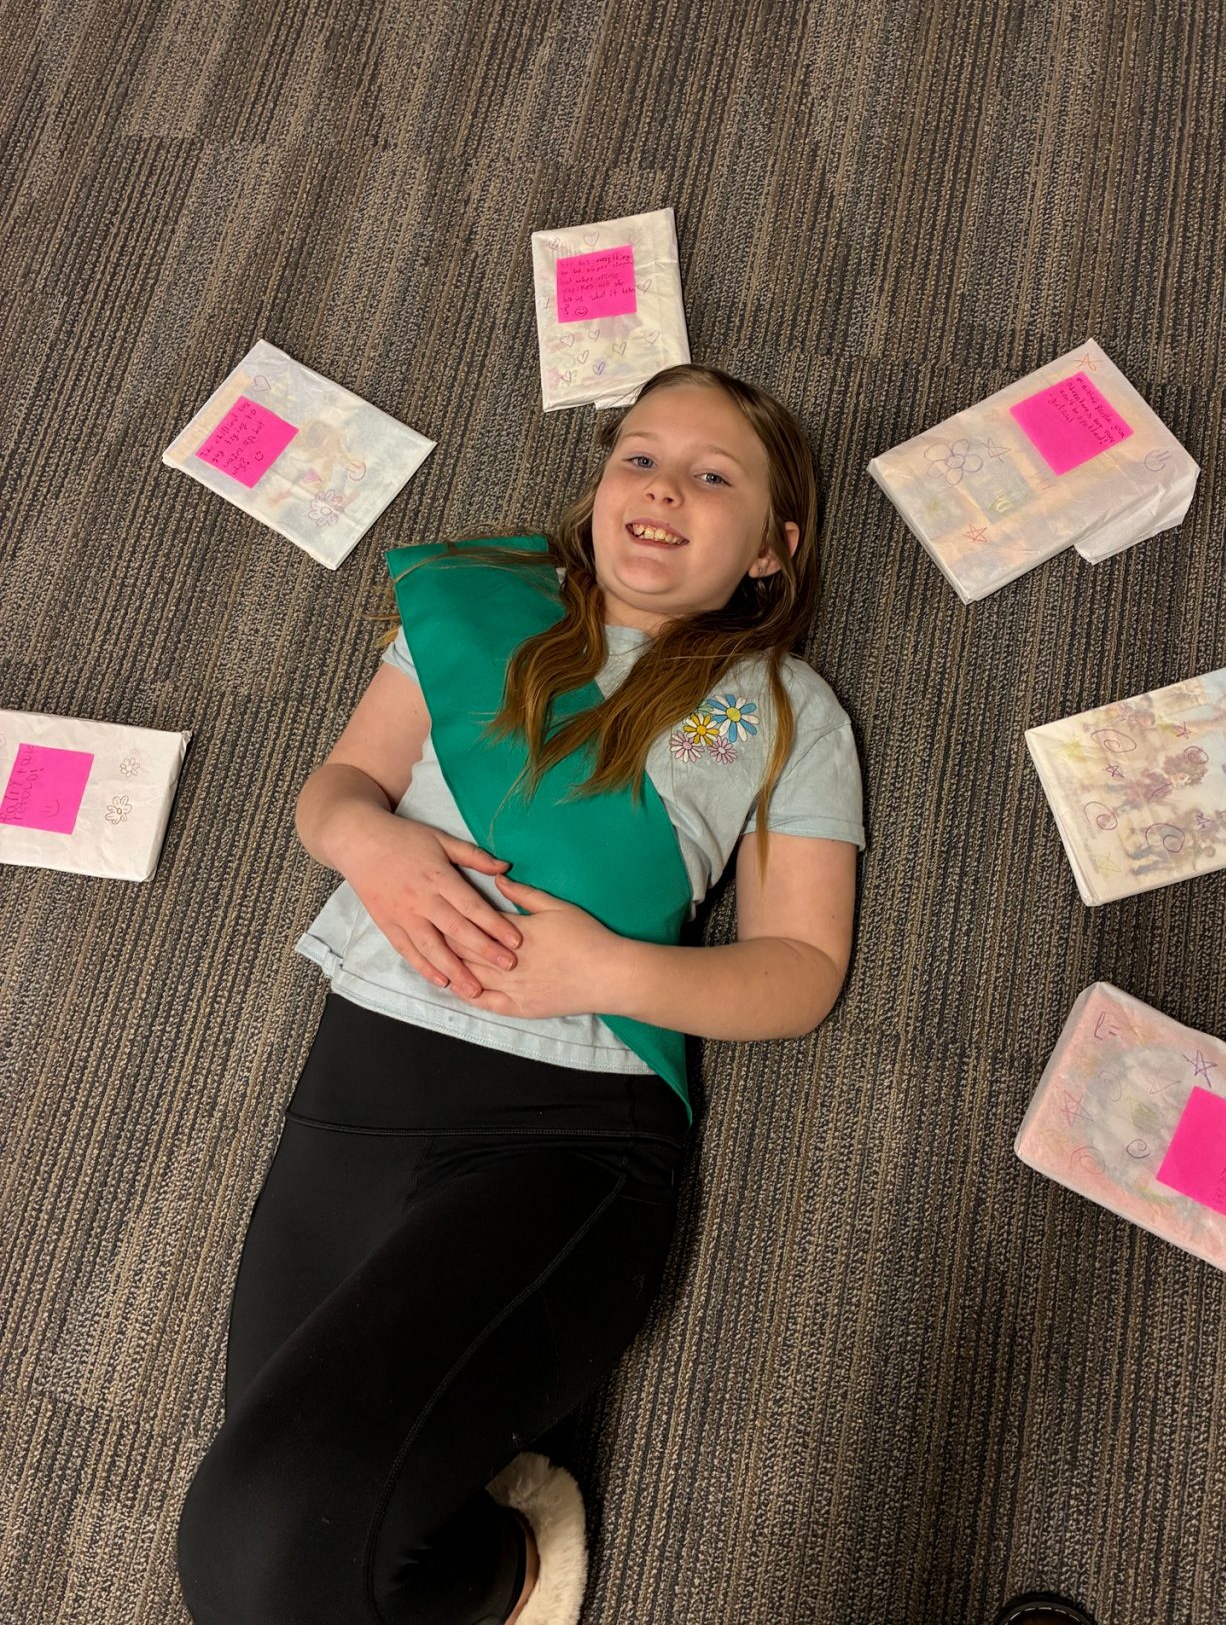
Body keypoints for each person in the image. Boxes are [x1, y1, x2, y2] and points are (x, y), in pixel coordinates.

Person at [176, 364, 865, 1625]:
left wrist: (601, 967)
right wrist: (367, 845)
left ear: (773, 550)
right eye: (638, 457)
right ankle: (499, 1565)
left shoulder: (785, 709)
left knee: (254, 1552)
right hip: (352, 1096)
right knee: (262, 1541)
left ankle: (516, 1561)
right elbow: (335, 789)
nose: (661, 487)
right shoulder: (479, 603)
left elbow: (801, 973)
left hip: (569, 1133)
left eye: (714, 475)